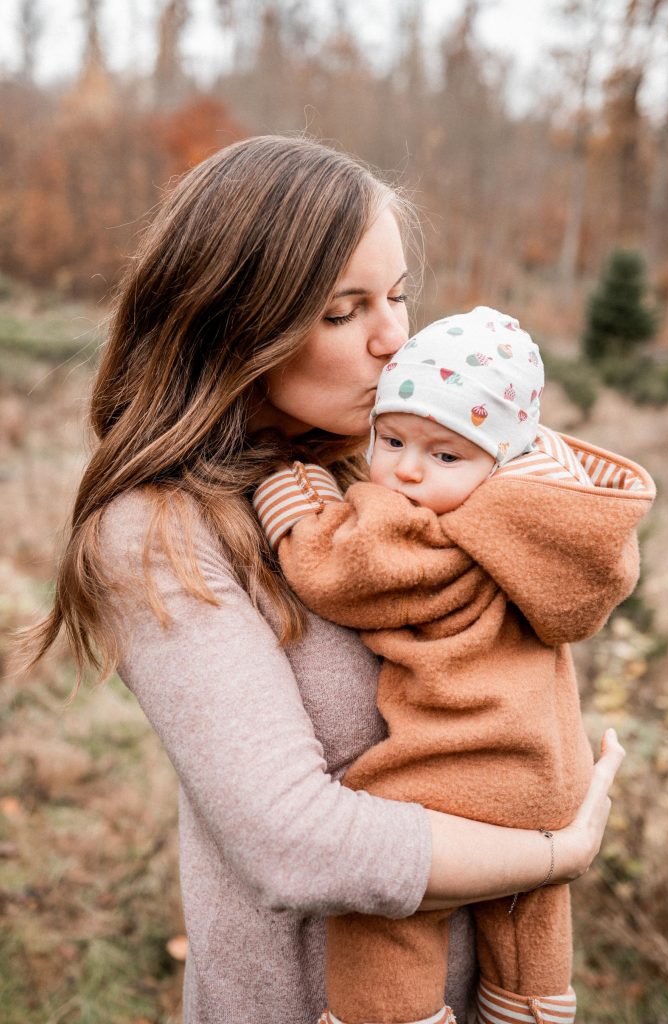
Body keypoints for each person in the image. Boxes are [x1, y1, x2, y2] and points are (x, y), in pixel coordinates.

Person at [25, 135, 626, 1024]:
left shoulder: (388, 475)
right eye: (343, 313)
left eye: (397, 297)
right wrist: (553, 854)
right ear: (235, 327)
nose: (395, 340)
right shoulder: (158, 532)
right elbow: (296, 845)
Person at [253, 305, 655, 1024]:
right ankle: (531, 1003)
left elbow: (344, 572)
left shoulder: (446, 540)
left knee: (384, 916)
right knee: (529, 908)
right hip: (550, 780)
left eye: (445, 456)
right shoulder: (549, 526)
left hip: (457, 775)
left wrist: (301, 505)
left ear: (498, 464)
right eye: (392, 439)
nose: (407, 469)